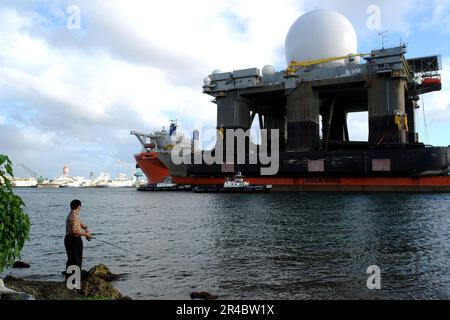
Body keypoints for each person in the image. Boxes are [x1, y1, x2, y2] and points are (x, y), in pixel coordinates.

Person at [64, 199, 92, 276]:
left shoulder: (73, 214)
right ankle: (74, 281)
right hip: (74, 239)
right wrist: (86, 235)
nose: (80, 207)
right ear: (78, 206)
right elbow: (74, 231)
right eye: (80, 206)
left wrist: (86, 229)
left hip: (69, 239)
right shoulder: (74, 217)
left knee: (71, 259)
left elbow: (81, 224)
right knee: (76, 260)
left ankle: (70, 279)